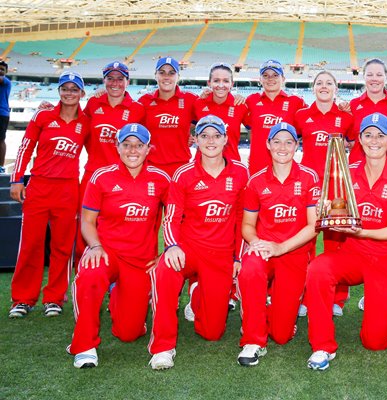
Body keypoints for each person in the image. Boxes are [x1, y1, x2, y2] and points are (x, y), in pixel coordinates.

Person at [304, 113, 387, 371]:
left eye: (380, 135)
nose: (374, 140)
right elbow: (335, 211)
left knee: (375, 343)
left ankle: (382, 315)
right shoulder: (345, 172)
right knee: (318, 268)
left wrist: (361, 232)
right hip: (354, 254)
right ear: (359, 141)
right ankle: (322, 346)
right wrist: (327, 210)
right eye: (368, 135)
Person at [147, 115, 248, 370]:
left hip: (220, 255)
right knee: (165, 270)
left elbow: (242, 220)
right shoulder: (183, 174)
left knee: (212, 333)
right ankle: (162, 347)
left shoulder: (239, 172)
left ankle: (195, 294)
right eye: (204, 136)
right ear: (195, 140)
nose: (210, 141)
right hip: (188, 249)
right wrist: (172, 246)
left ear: (226, 139)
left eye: (216, 136)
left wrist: (237, 258)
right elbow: (170, 217)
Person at [67, 123, 170, 368]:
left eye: (139, 145)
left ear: (148, 149)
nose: (132, 150)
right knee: (90, 274)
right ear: (117, 147)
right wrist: (95, 246)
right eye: (126, 144)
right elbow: (87, 222)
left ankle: (119, 297)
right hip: (107, 253)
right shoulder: (101, 177)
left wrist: (166, 252)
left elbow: (177, 218)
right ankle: (84, 345)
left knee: (129, 333)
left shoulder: (161, 179)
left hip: (140, 261)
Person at [236, 122, 319, 367]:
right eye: (277, 141)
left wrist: (281, 247)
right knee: (250, 269)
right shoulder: (256, 181)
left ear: (296, 146)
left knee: (282, 336)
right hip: (264, 250)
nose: (282, 147)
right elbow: (247, 226)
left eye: (288, 142)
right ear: (267, 145)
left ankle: (273, 309)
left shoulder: (309, 177)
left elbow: (314, 225)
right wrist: (257, 242)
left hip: (292, 252)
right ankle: (252, 339)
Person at [9, 71, 90, 319]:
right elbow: (25, 146)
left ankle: (54, 298)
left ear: (81, 93)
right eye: (64, 89)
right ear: (58, 91)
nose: (69, 93)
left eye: (74, 89)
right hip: (39, 187)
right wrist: (17, 179)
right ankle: (22, 298)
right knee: (30, 244)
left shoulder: (85, 122)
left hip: (68, 189)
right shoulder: (43, 115)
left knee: (63, 247)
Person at [294, 70, 354, 317]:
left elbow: (354, 144)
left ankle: (336, 298)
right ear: (313, 87)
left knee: (335, 242)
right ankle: (302, 295)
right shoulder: (300, 116)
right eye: (319, 82)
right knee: (305, 242)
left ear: (336, 88)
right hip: (308, 188)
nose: (324, 86)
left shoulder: (346, 117)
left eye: (329, 83)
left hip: (335, 188)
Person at [75, 61, 145, 265]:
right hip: (92, 173)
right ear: (104, 80)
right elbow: (77, 123)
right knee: (86, 222)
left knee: (118, 224)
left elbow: (144, 143)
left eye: (120, 79)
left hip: (121, 177)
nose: (115, 83)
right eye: (110, 78)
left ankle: (116, 268)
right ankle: (84, 268)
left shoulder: (138, 109)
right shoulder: (93, 104)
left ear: (127, 81)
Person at [138, 57, 198, 177]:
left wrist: (191, 134)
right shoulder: (144, 101)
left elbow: (207, 119)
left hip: (181, 169)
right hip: (151, 169)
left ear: (178, 77)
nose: (166, 77)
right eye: (162, 73)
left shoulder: (191, 99)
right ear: (155, 75)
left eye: (171, 73)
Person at [245, 59, 306, 174]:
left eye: (275, 75)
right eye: (266, 75)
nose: (270, 79)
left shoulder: (296, 102)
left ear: (283, 79)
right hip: (257, 168)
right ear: (260, 79)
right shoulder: (251, 101)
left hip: (284, 169)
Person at [347, 58, 387, 166]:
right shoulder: (353, 105)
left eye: (379, 75)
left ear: (386, 77)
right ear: (363, 76)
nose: (374, 79)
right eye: (369, 75)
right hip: (358, 169)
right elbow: (350, 139)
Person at [194, 62, 249, 162]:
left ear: (232, 84)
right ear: (209, 83)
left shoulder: (240, 105)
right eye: (216, 81)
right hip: (201, 167)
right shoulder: (198, 103)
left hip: (232, 167)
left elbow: (256, 130)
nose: (221, 85)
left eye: (226, 81)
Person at [0, 60, 11, 173]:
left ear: (6, 72)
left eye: (2, 69)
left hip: (1, 114)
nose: (0, 71)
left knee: (1, 140)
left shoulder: (6, 81)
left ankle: (1, 166)